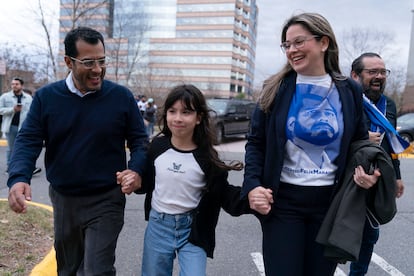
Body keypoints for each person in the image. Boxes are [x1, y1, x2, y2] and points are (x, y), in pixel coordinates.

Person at [242, 12, 379, 276]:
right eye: (287, 45)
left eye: (298, 42)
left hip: (330, 204)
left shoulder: (349, 89)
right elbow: (256, 143)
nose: (291, 50)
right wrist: (252, 186)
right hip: (283, 203)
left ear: (323, 42)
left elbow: (359, 143)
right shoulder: (275, 88)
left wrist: (368, 173)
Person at [7, 26, 148, 275]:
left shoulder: (121, 97)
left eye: (102, 61)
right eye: (88, 62)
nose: (97, 69)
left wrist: (135, 170)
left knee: (97, 270)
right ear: (68, 62)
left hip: (107, 199)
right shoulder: (47, 98)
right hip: (64, 200)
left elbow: (140, 141)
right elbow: (28, 140)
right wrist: (19, 177)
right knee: (69, 269)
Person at [138, 84, 250, 276]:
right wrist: (134, 180)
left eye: (186, 112)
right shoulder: (157, 147)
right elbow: (145, 184)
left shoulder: (207, 157)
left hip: (193, 230)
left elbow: (223, 193)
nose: (178, 118)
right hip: (158, 226)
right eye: (172, 111)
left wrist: (252, 198)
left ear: (198, 118)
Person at [350, 52, 405, 275]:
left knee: (370, 235)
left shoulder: (389, 105)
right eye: (372, 72)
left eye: (383, 72)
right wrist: (362, 137)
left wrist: (398, 176)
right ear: (355, 75)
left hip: (377, 181)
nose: (379, 76)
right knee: (336, 234)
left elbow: (391, 143)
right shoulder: (345, 99)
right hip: (346, 179)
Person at [0, 77, 41, 175]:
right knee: (11, 148)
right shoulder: (5, 97)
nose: (14, 86)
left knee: (25, 148)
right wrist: (12, 109)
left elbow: (33, 112)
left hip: (24, 127)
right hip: (11, 126)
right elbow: (0, 110)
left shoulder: (28, 98)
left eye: (16, 84)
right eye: (13, 84)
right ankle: (10, 167)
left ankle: (29, 167)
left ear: (21, 86)